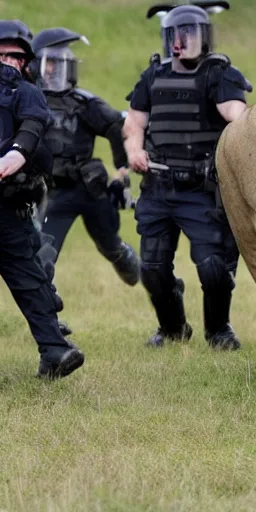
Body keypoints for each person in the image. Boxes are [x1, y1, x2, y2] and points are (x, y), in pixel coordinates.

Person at [123, 4, 251, 349]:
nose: (183, 41)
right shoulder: (152, 75)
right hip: (158, 187)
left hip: (202, 190)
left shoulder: (220, 74)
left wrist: (242, 125)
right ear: (168, 38)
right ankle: (173, 329)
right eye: (177, 35)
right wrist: (135, 151)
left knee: (213, 266)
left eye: (191, 34)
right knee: (151, 267)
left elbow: (237, 116)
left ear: (204, 37)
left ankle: (219, 330)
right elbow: (134, 122)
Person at [0, 20, 84, 378]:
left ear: (26, 62)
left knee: (29, 278)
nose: (7, 61)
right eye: (1, 54)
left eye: (14, 56)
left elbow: (31, 131)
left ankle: (55, 351)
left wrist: (13, 157)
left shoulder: (28, 93)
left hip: (8, 205)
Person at [30, 28, 140, 298]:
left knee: (112, 246)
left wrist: (122, 170)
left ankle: (154, 279)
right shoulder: (30, 103)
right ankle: (50, 317)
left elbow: (118, 127)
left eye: (59, 64)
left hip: (91, 191)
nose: (53, 71)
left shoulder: (85, 104)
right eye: (48, 63)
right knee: (42, 258)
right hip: (53, 195)